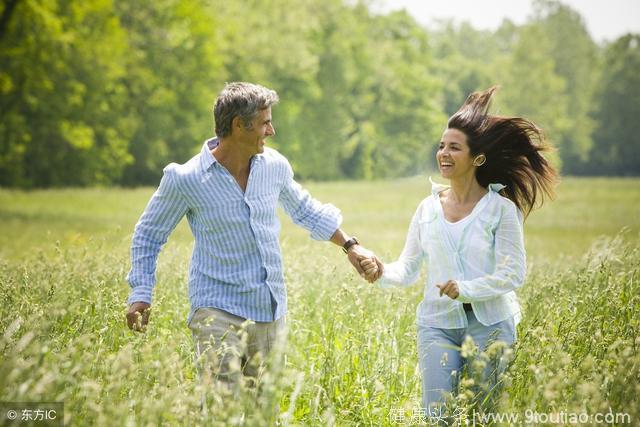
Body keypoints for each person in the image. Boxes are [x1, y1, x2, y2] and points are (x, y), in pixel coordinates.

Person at [125, 82, 382, 394]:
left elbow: (305, 209)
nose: (271, 130)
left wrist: (350, 246)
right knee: (223, 407)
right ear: (238, 125)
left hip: (269, 310)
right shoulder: (186, 178)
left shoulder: (274, 166)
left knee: (263, 411)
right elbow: (149, 235)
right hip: (215, 310)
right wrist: (141, 292)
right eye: (264, 122)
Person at [361, 86, 557, 416]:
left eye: (454, 147)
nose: (444, 154)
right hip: (436, 324)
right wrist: (381, 271)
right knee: (438, 416)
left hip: (491, 325)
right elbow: (407, 268)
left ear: (478, 158)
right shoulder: (427, 209)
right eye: (441, 146)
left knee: (484, 416)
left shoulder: (500, 210)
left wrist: (465, 290)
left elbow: (513, 273)